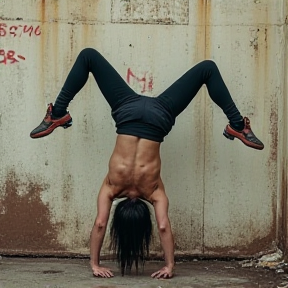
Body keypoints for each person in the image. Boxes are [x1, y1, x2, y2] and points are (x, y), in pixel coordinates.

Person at [30, 48, 264, 279]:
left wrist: (170, 266)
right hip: (127, 110)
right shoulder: (111, 187)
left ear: (143, 218)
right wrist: (94, 264)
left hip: (158, 117)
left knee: (206, 70)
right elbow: (100, 223)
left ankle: (237, 125)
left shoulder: (154, 191)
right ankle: (57, 113)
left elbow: (162, 226)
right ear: (120, 216)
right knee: (88, 56)